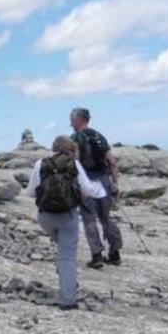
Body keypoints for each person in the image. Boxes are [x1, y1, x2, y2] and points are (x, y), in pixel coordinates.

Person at [25, 135, 107, 310]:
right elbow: (88, 189)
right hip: (67, 216)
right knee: (67, 256)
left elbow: (30, 193)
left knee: (62, 249)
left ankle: (65, 275)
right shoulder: (74, 164)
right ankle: (68, 299)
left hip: (45, 217)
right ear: (69, 149)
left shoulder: (41, 164)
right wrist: (98, 187)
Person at [69, 107, 122, 269]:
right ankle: (115, 253)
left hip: (87, 182)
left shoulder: (75, 137)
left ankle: (97, 255)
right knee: (106, 217)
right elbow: (112, 161)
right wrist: (114, 184)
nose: (70, 121)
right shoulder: (99, 135)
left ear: (79, 119)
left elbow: (74, 162)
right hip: (103, 180)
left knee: (89, 219)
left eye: (72, 118)